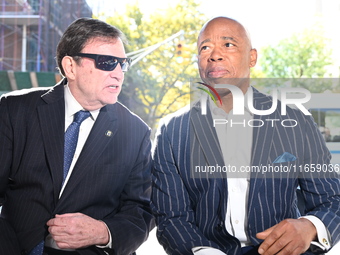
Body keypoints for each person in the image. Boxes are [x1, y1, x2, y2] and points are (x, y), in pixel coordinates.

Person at [151, 16, 340, 255]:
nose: (214, 54)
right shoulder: (172, 131)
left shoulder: (295, 120)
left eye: (228, 45)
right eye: (205, 47)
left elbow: (332, 199)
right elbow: (171, 217)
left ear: (252, 57)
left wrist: (309, 227)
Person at [0, 18, 154, 255]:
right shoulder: (15, 111)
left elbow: (141, 210)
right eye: (106, 62)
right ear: (70, 67)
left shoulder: (135, 132)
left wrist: (103, 232)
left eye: (122, 64)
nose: (117, 74)